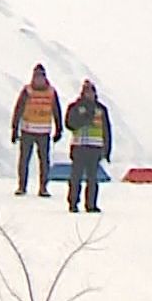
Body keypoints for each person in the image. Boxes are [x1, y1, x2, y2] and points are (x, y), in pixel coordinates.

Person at [9, 63, 62, 197]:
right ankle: (22, 186)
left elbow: (57, 111)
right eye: (36, 76)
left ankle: (43, 187)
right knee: (24, 160)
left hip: (44, 132)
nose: (38, 80)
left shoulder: (51, 92)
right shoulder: (27, 91)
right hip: (27, 130)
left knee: (44, 161)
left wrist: (59, 129)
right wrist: (14, 129)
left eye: (40, 77)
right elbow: (18, 109)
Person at [63, 79, 114, 214]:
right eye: (86, 91)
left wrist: (107, 150)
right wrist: (84, 118)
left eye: (91, 91)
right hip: (79, 146)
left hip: (95, 148)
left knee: (93, 179)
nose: (89, 94)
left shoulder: (101, 109)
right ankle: (73, 203)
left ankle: (91, 204)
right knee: (76, 178)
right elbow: (69, 124)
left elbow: (106, 130)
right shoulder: (75, 107)